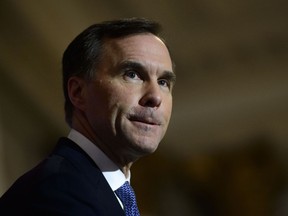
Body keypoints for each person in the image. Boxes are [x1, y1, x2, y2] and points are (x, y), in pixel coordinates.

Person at [0, 17, 176, 215]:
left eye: (163, 82)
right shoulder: (59, 193)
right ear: (78, 92)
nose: (155, 97)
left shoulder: (94, 187)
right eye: (132, 74)